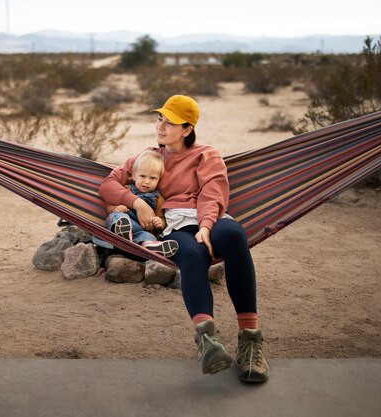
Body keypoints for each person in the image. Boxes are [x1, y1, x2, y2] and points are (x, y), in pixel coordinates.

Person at [99, 95, 270, 383]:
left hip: (210, 218)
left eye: (170, 122)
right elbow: (108, 185)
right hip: (175, 224)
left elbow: (213, 193)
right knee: (189, 253)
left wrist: (205, 226)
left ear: (187, 129)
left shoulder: (207, 154)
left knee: (234, 235)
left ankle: (250, 341)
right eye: (159, 119)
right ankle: (208, 341)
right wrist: (138, 203)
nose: (161, 126)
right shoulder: (149, 157)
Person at [104, 149, 179, 258]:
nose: (147, 182)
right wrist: (116, 208)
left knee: (148, 236)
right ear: (134, 175)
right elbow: (109, 206)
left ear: (159, 180)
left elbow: (162, 218)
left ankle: (149, 246)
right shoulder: (126, 189)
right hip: (122, 221)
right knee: (117, 216)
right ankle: (123, 230)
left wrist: (160, 223)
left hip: (140, 230)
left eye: (153, 178)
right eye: (142, 176)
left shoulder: (158, 198)